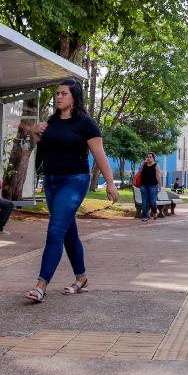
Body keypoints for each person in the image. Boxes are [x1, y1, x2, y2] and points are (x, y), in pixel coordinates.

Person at [24, 78, 118, 303]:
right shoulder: (51, 122)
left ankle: (40, 286)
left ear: (74, 97)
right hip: (51, 182)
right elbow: (39, 150)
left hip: (74, 182)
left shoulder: (86, 124)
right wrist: (35, 134)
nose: (58, 97)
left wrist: (111, 183)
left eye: (63, 93)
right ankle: (81, 278)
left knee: (55, 231)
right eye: (57, 93)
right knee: (68, 232)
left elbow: (99, 154)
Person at [135, 152, 161, 222]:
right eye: (148, 157)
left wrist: (160, 185)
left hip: (153, 186)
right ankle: (145, 216)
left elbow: (158, 177)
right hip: (143, 186)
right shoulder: (144, 165)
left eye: (150, 157)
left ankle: (154, 212)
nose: (149, 158)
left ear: (153, 158)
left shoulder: (156, 166)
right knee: (144, 202)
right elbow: (139, 172)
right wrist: (134, 179)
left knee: (152, 202)